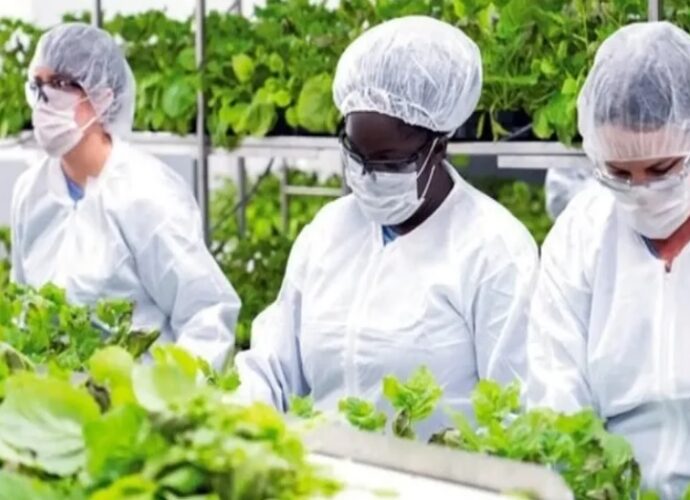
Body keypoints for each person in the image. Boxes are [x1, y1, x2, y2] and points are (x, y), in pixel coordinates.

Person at [236, 16, 538, 438]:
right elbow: (274, 364)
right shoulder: (327, 233)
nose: (368, 175)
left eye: (390, 162)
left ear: (439, 146)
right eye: (355, 155)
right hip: (321, 468)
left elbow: (516, 410)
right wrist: (237, 417)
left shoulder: (493, 249)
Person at [11, 23, 240, 370]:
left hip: (135, 395)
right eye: (38, 85)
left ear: (101, 97)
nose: (44, 101)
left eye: (59, 84)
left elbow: (205, 313)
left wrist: (172, 393)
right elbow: (24, 308)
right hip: (53, 397)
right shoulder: (31, 191)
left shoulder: (147, 193)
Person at [527, 22, 690, 498]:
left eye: (662, 169)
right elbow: (555, 383)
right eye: (619, 173)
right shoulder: (583, 233)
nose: (642, 191)